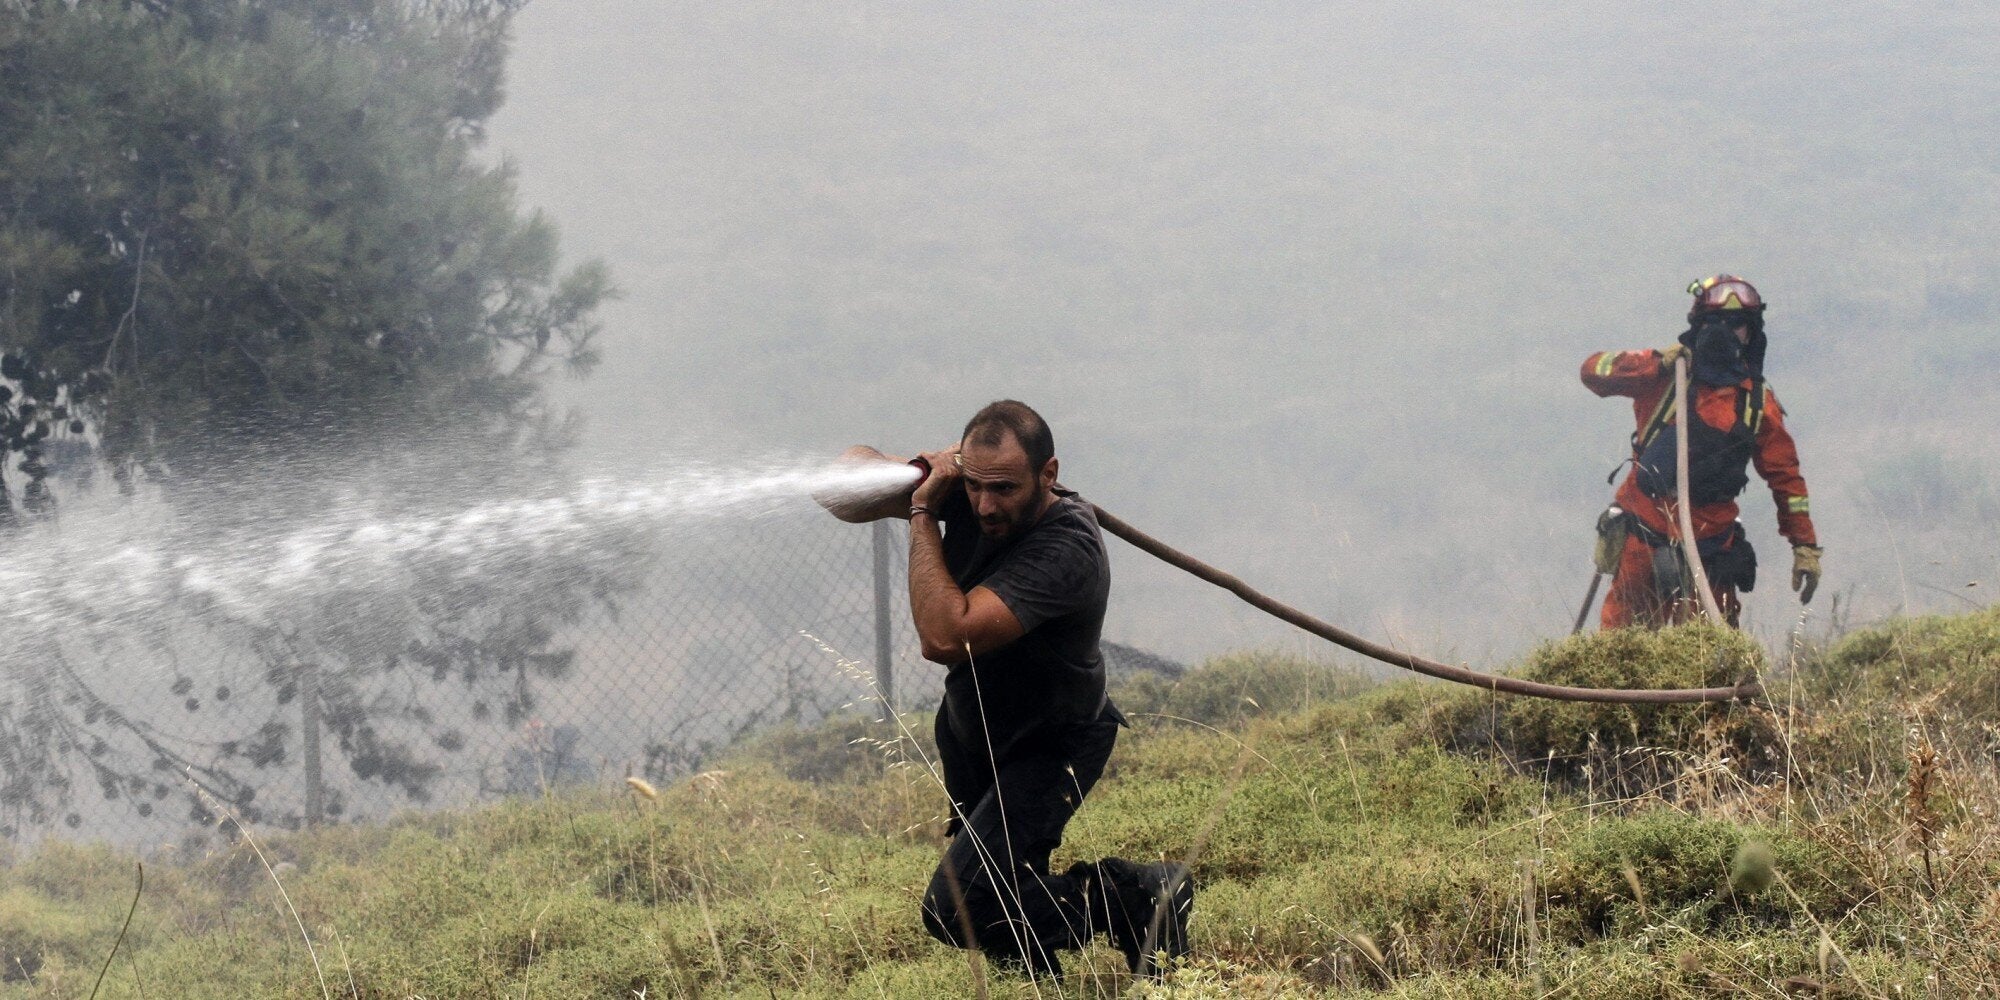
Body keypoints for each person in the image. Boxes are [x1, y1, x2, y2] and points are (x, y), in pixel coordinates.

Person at [834, 400, 1193, 979]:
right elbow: (838, 492)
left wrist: (922, 512)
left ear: (1047, 475)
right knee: (1005, 893)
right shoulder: (966, 489)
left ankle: (1136, 897)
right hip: (974, 734)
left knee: (959, 908)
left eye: (1003, 488)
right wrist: (916, 472)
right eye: (975, 486)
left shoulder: (1068, 547)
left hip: (1052, 744)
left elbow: (945, 637)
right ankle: (1043, 986)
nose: (985, 506)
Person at [1582, 275, 1822, 628]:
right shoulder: (1665, 377)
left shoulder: (1756, 403)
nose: (1726, 332)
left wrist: (1804, 545)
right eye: (1716, 322)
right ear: (1699, 326)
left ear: (1752, 332)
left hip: (1712, 549)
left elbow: (1786, 478)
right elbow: (1593, 370)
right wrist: (1654, 362)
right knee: (1621, 645)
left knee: (1709, 651)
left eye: (1737, 323)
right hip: (1643, 538)